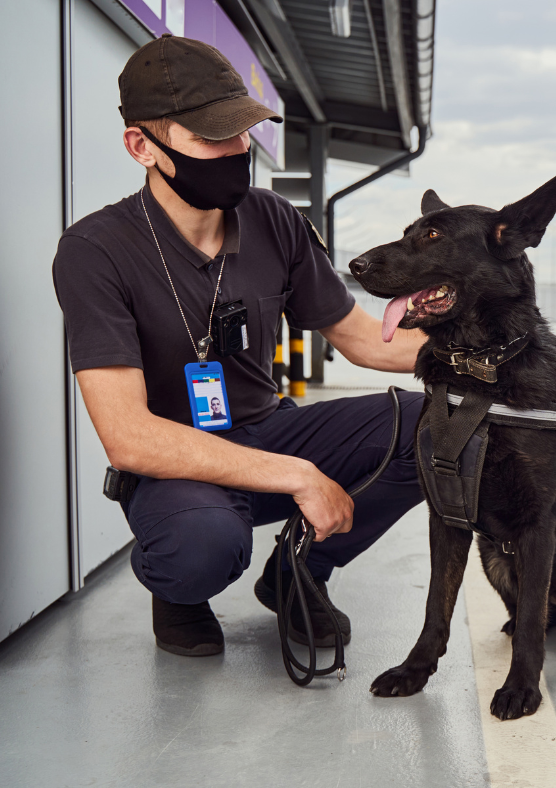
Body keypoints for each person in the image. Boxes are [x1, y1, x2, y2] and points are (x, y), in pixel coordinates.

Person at [52, 34, 426, 658]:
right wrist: (298, 475)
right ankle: (178, 593)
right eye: (210, 137)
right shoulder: (95, 251)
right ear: (141, 145)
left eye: (241, 132)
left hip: (267, 428)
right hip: (176, 461)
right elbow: (128, 436)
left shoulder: (274, 219)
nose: (234, 150)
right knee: (201, 550)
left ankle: (296, 574)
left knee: (434, 428)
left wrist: (500, 351)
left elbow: (364, 340)